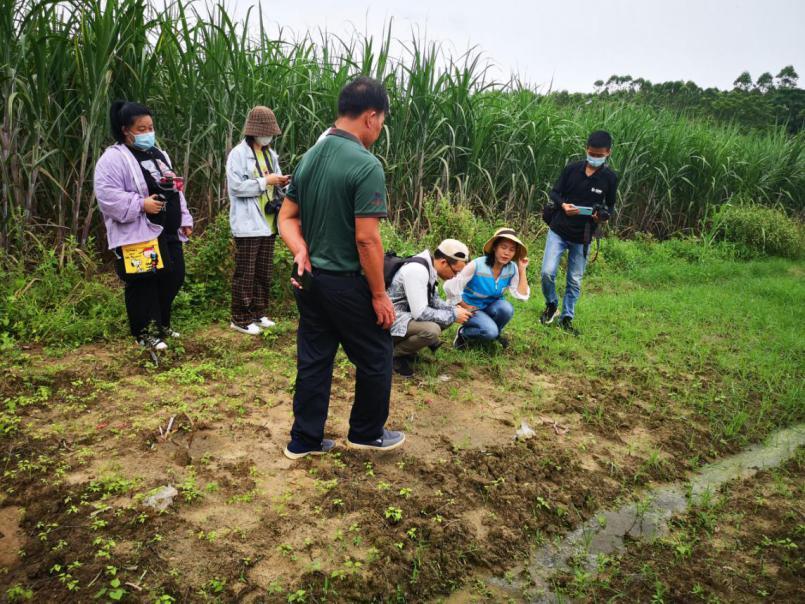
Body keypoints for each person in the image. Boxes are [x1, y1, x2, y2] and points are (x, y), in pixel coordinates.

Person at [277, 76, 405, 460]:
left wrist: (300, 249)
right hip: (346, 283)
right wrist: (380, 295)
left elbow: (286, 217)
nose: (380, 129)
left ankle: (305, 440)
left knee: (315, 358)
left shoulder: (310, 157)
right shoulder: (366, 166)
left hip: (310, 281)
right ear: (371, 116)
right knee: (376, 355)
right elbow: (367, 239)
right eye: (381, 120)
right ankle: (366, 433)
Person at [94, 101, 193, 351]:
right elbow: (107, 197)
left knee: (173, 277)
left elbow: (175, 190)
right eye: (142, 128)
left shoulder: (158, 155)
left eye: (150, 126)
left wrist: (185, 218)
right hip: (138, 233)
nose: (148, 132)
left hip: (168, 231)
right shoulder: (113, 160)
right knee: (143, 282)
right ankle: (145, 333)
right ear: (125, 130)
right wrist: (141, 204)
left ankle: (161, 324)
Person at [540, 130, 617, 335]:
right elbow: (554, 192)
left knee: (574, 279)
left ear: (608, 153)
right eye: (592, 153)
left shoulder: (609, 178)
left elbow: (610, 207)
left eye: (599, 155)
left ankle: (567, 318)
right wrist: (563, 205)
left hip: (583, 235)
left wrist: (600, 216)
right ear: (586, 149)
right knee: (547, 272)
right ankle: (552, 305)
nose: (595, 158)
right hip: (559, 228)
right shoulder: (572, 169)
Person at [226, 106, 289, 335]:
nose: (269, 136)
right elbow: (235, 187)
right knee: (246, 272)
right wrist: (265, 182)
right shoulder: (238, 155)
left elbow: (275, 180)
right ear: (254, 131)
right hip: (248, 223)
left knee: (263, 271)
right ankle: (240, 317)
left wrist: (281, 181)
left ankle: (259, 312)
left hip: (268, 221)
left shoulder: (270, 155)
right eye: (266, 132)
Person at [388, 239, 473, 377]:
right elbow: (420, 313)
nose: (455, 276)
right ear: (444, 262)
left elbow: (434, 300)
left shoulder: (428, 267)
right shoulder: (417, 270)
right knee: (432, 330)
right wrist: (453, 315)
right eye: (455, 271)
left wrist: (453, 310)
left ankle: (407, 351)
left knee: (447, 316)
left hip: (404, 316)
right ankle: (391, 355)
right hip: (390, 318)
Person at [446, 228, 530, 349]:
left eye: (512, 250)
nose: (507, 253)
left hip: (490, 307)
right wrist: (464, 306)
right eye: (503, 247)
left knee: (506, 308)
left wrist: (522, 269)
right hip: (470, 308)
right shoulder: (477, 264)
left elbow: (522, 295)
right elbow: (450, 286)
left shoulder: (512, 268)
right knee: (490, 331)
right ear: (495, 247)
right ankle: (463, 334)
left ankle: (490, 333)